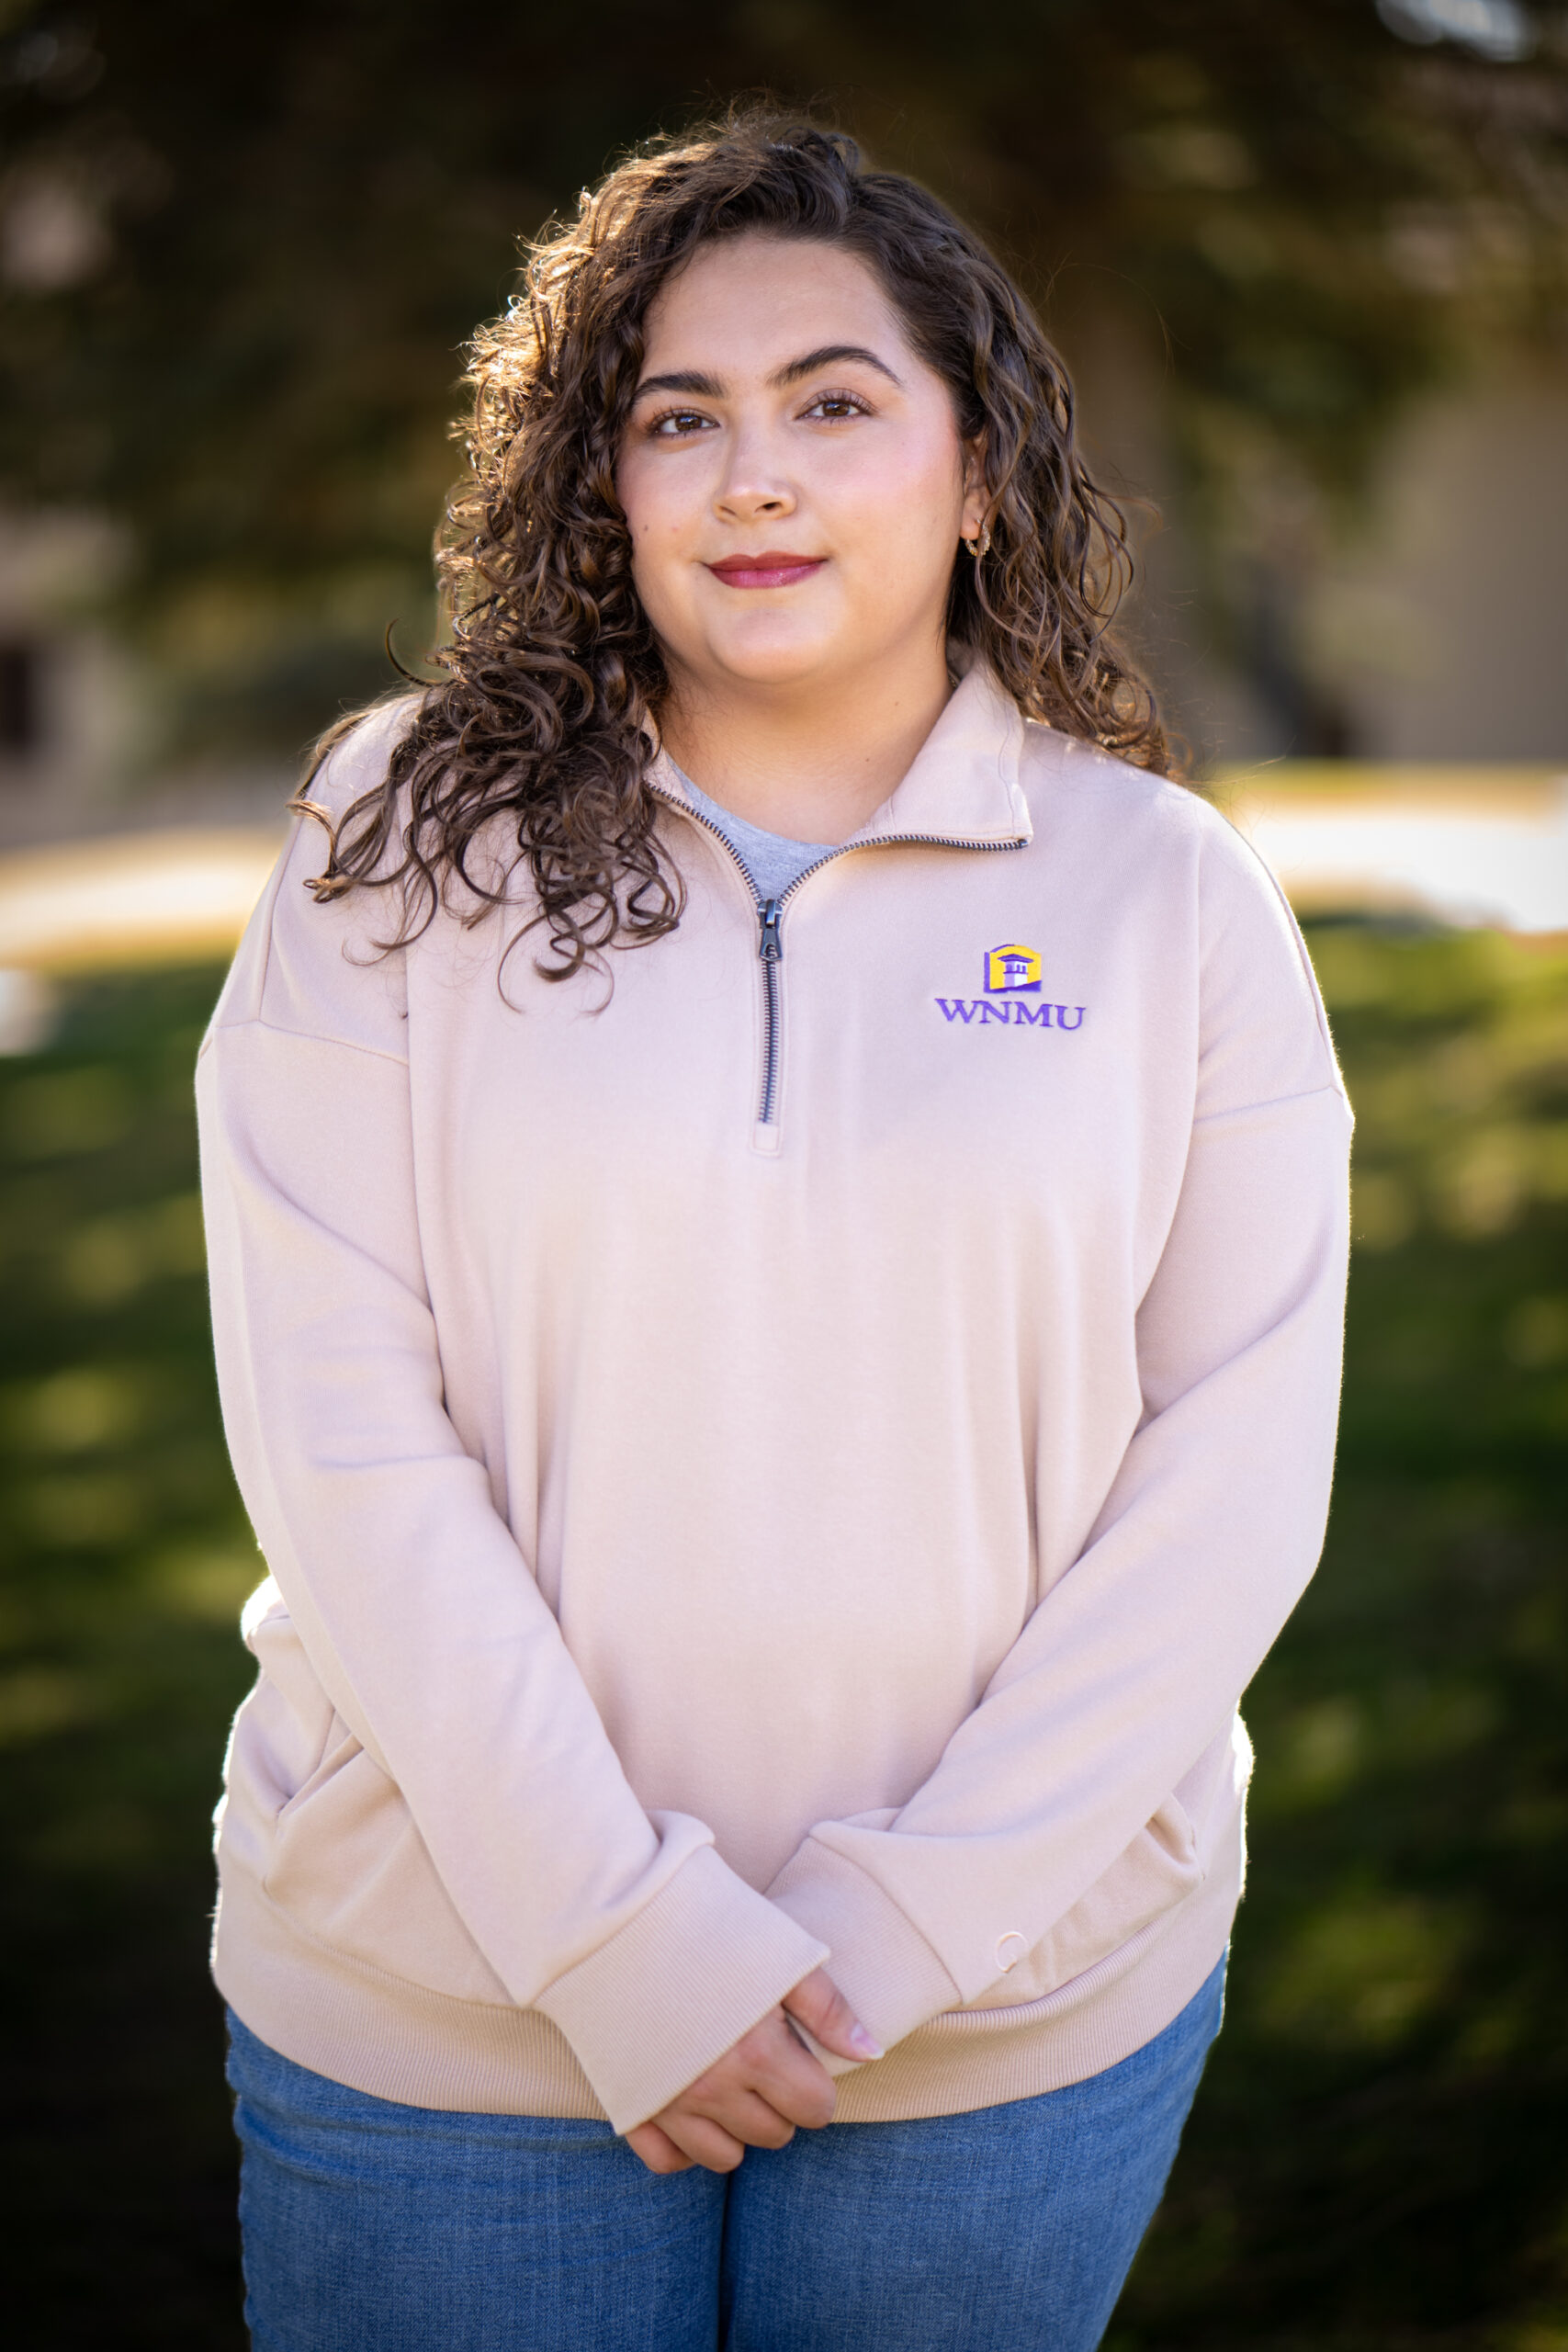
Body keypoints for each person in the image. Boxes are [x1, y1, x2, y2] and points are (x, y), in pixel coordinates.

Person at [197, 114, 1351, 2352]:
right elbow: (337, 1430)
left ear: (977, 466)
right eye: (676, 418)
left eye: (831, 402)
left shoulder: (1168, 898)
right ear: (600, 482)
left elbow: (1231, 1481)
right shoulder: (394, 840)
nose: (751, 479)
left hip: (998, 2030)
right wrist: (616, 1937)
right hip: (449, 2016)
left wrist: (894, 1937)